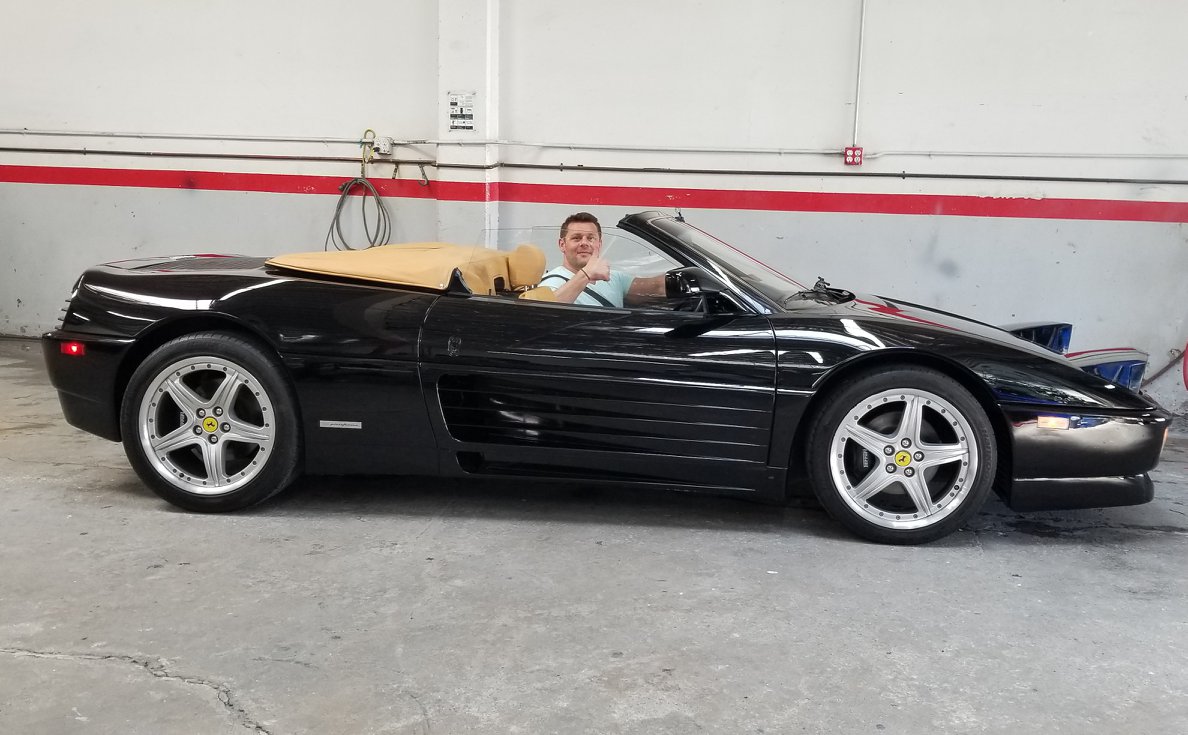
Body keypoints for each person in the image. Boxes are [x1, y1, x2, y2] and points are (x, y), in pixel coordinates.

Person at [539, 212, 666, 307]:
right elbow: (546, 313)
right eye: (576, 238)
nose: (584, 243)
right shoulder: (552, 282)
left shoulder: (614, 277)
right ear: (562, 245)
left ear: (599, 244)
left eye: (591, 238)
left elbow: (656, 287)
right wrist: (586, 274)